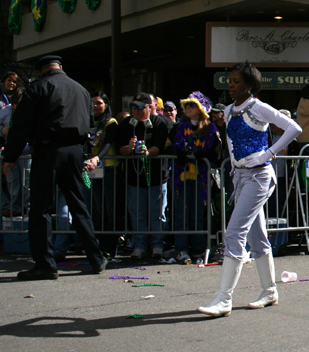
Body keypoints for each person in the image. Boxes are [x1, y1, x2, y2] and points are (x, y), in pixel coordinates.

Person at [198, 62, 301, 317]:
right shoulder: (232, 109)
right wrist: (235, 168)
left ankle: (223, 299)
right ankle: (269, 291)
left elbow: (294, 128)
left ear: (249, 85)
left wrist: (268, 153)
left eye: (235, 81)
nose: (230, 85)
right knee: (257, 237)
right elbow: (232, 144)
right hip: (242, 178)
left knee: (234, 233)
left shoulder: (258, 107)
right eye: (229, 81)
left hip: (259, 178)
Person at [3, 55, 107, 280]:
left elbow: (21, 124)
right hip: (75, 151)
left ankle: (45, 264)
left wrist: (10, 156)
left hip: (49, 150)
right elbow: (88, 125)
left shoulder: (38, 88)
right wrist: (86, 154)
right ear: (60, 67)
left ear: (41, 70)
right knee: (78, 205)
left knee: (40, 208)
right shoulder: (81, 90)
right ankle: (97, 257)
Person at [114, 92, 170, 260]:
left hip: (156, 177)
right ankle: (139, 246)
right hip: (134, 177)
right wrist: (128, 148)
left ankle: (157, 245)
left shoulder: (159, 123)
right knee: (137, 213)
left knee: (157, 212)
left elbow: (160, 147)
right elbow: (120, 149)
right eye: (134, 107)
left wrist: (148, 152)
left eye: (140, 107)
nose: (136, 111)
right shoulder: (126, 124)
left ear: (149, 107)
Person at [169, 92, 221, 264]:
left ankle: (199, 248)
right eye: (186, 106)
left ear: (200, 109)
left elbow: (215, 153)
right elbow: (170, 146)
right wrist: (179, 152)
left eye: (192, 105)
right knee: (181, 213)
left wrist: (204, 154)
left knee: (198, 213)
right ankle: (181, 249)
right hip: (182, 176)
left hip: (201, 176)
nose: (188, 108)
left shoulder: (210, 128)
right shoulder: (178, 127)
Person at [84, 91, 121, 260]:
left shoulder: (111, 122)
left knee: (110, 209)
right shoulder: (88, 122)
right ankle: (97, 246)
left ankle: (110, 247)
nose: (95, 106)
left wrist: (97, 157)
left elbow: (106, 144)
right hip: (93, 170)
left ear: (106, 105)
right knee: (96, 209)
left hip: (109, 169)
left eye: (99, 103)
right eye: (92, 103)